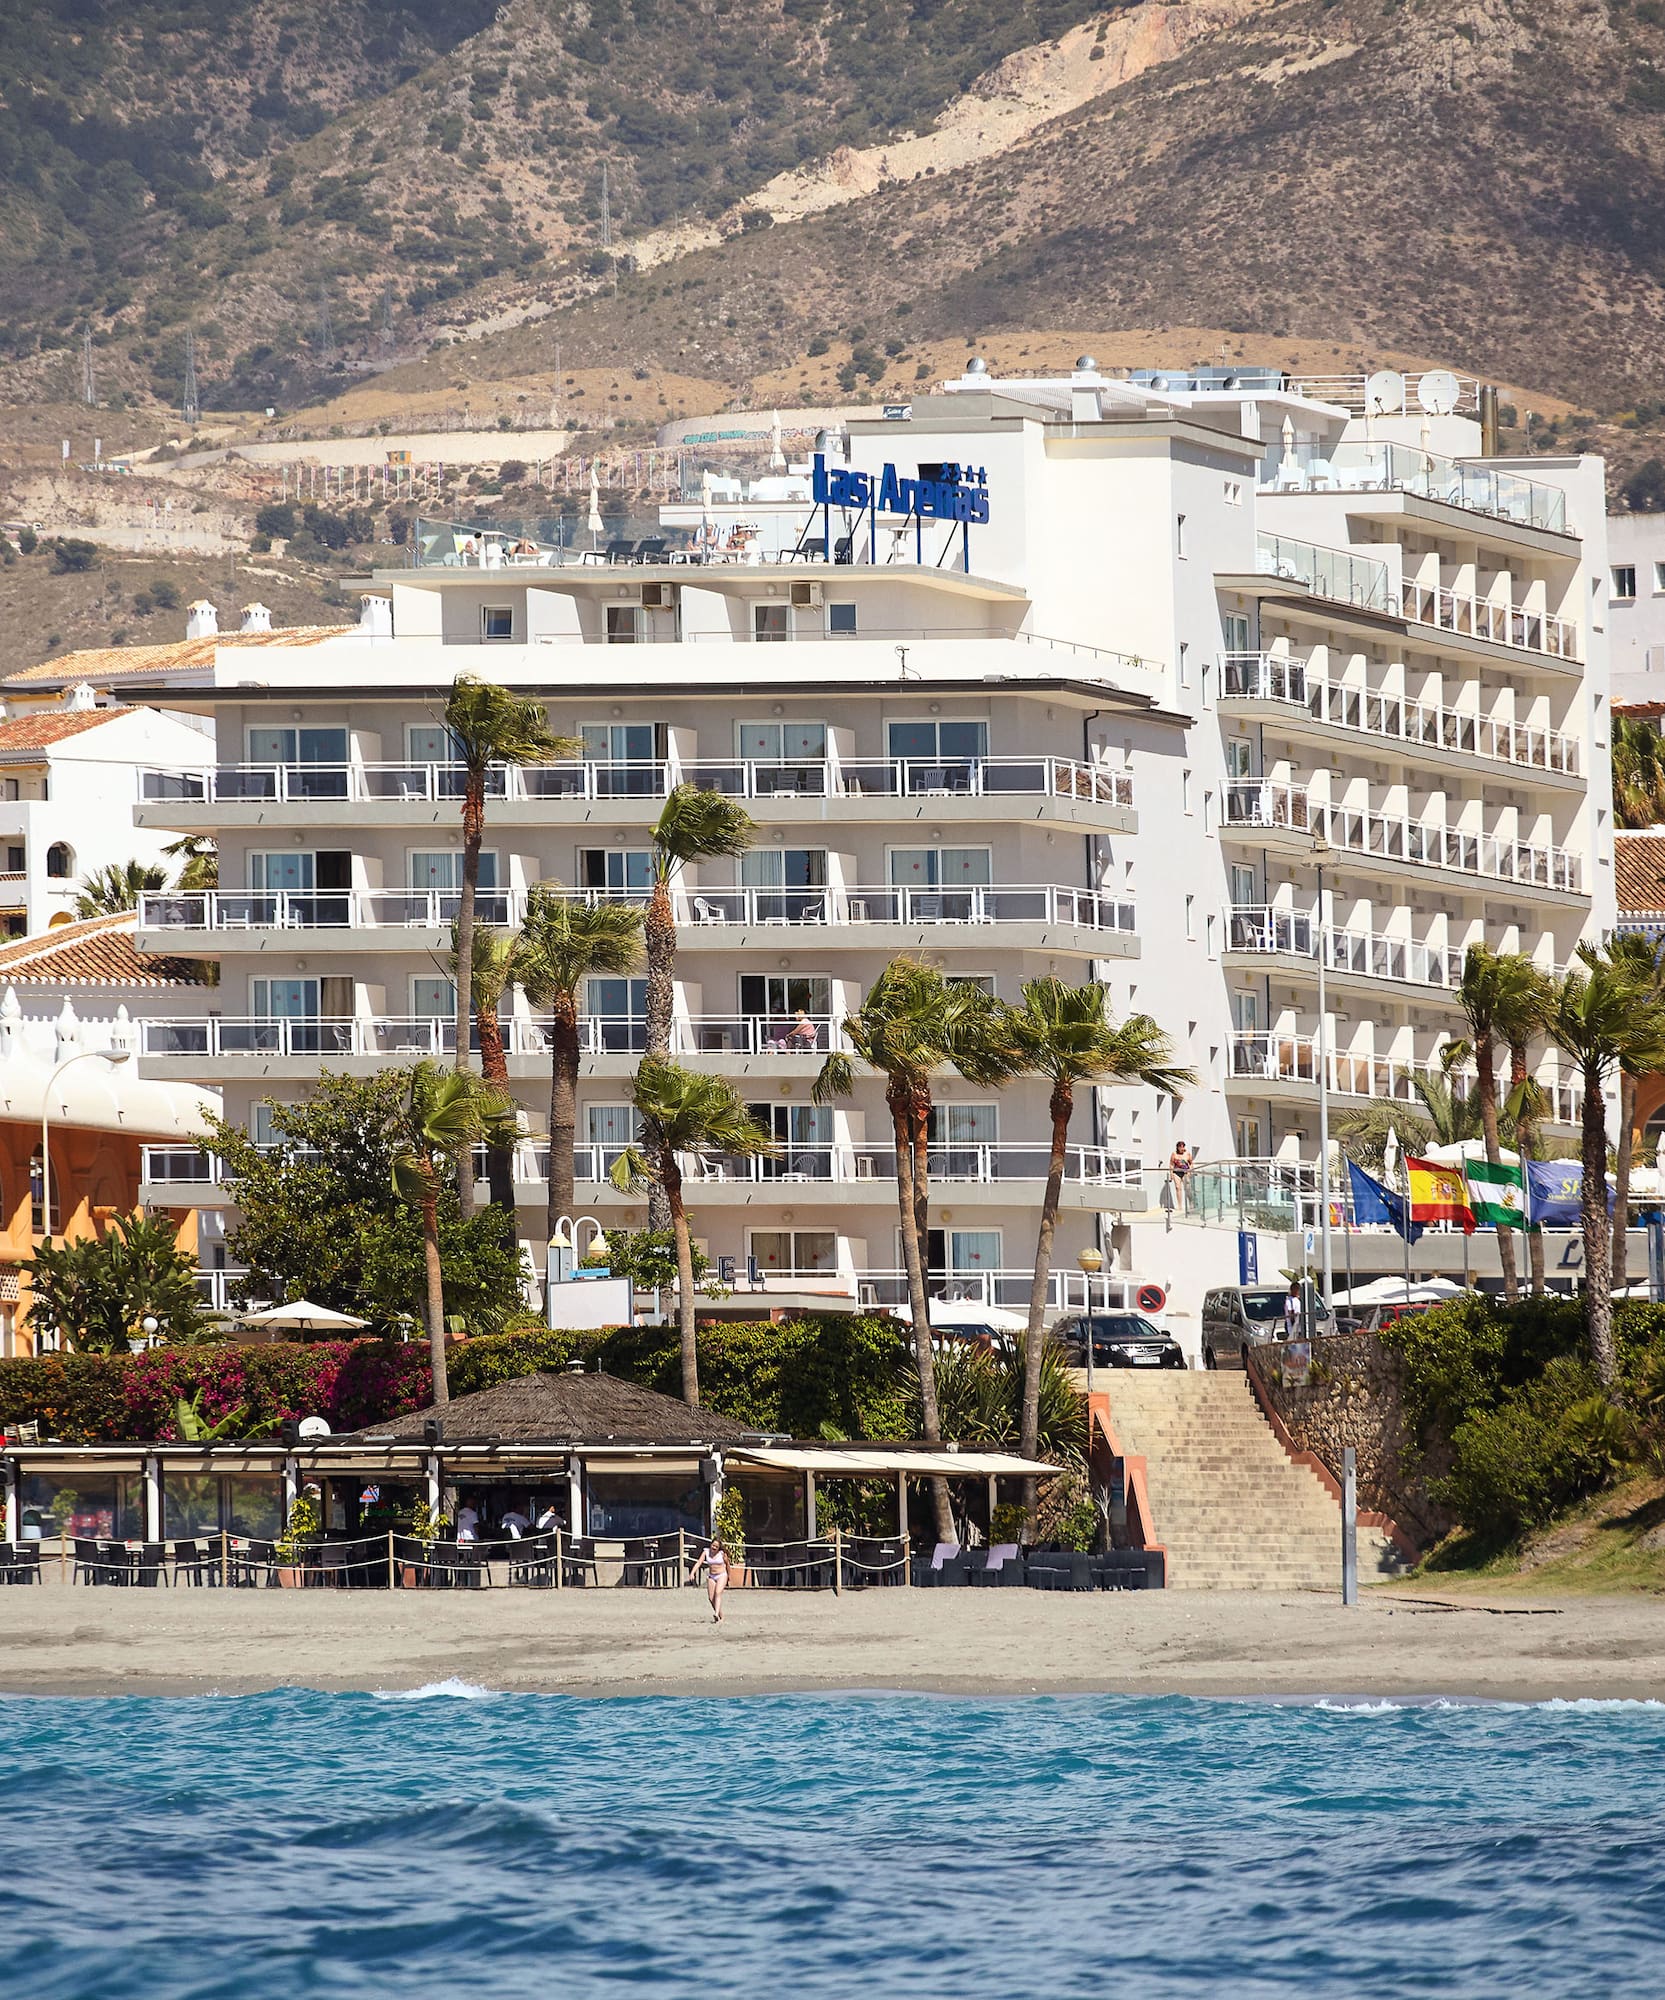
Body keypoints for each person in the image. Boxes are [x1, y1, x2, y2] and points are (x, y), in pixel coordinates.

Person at [688, 1533, 730, 1623]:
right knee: (711, 1598)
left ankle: (716, 1613)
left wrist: (729, 1576)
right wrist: (692, 1572)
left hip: (722, 1575)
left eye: (716, 1546)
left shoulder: (722, 1554)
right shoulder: (706, 1552)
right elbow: (699, 1563)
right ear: (710, 1545)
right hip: (712, 1576)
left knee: (718, 1593)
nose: (714, 1548)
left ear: (719, 1548)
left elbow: (728, 1565)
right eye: (713, 1545)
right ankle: (720, 1616)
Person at [1168, 1141, 1195, 1211]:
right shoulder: (1174, 1154)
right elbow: (1171, 1164)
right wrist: (1171, 1173)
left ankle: (1191, 1203)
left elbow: (1191, 1163)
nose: (1182, 1148)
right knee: (1178, 1188)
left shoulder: (1187, 1154)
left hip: (1185, 1172)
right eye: (1180, 1147)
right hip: (1176, 1172)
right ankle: (1179, 1205)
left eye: (1183, 1146)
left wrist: (1190, 1171)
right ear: (1178, 1147)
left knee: (1187, 1188)